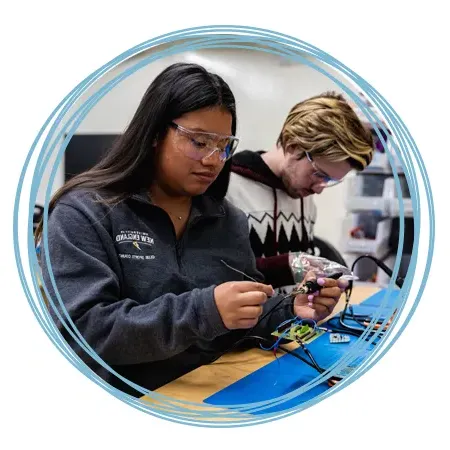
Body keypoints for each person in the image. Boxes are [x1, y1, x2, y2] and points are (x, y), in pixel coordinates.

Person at [36, 63, 345, 397]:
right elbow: (83, 330)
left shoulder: (228, 220)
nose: (213, 160)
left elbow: (243, 314)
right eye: (199, 142)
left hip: (213, 389)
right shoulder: (84, 213)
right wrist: (204, 311)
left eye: (224, 145)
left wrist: (291, 309)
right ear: (154, 134)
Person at [226, 92, 374, 293]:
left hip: (293, 322)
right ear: (293, 145)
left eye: (331, 181)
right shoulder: (228, 187)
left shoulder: (305, 198)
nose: (319, 189)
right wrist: (288, 266)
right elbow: (216, 275)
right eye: (319, 174)